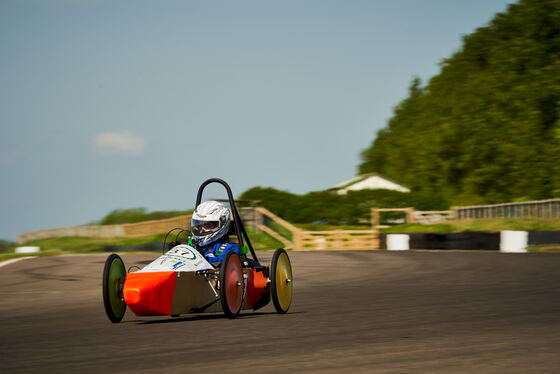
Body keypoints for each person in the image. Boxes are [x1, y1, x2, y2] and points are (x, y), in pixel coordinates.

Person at [190, 200, 239, 264]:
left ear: (221, 224)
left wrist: (204, 260)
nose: (202, 230)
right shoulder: (194, 244)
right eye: (200, 226)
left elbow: (223, 262)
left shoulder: (229, 248)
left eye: (207, 225)